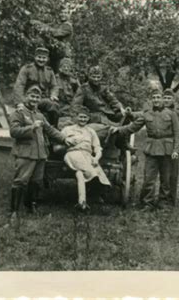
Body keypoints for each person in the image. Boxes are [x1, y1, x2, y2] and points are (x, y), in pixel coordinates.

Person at [9, 85, 73, 221]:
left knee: (36, 181)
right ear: (26, 96)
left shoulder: (40, 115)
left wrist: (64, 138)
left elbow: (50, 130)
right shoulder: (19, 113)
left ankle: (31, 206)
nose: (34, 99)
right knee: (20, 181)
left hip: (40, 154)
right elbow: (14, 132)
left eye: (37, 97)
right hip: (25, 153)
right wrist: (31, 127)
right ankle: (14, 211)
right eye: (32, 96)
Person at [112, 89, 179, 210]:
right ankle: (147, 203)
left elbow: (178, 134)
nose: (156, 100)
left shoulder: (171, 114)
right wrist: (118, 130)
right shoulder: (147, 114)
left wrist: (176, 150)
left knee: (166, 179)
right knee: (149, 178)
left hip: (167, 150)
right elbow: (132, 127)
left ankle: (163, 203)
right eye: (153, 98)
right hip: (152, 149)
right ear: (151, 100)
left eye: (158, 97)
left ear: (162, 99)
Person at [61, 106, 111, 211]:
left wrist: (96, 158)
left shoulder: (91, 131)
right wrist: (68, 142)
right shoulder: (67, 129)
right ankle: (98, 185)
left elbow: (97, 148)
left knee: (81, 172)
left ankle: (82, 203)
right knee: (93, 172)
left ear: (88, 119)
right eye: (80, 117)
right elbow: (57, 146)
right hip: (73, 153)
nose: (82, 120)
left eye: (85, 117)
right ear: (76, 117)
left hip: (87, 155)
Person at [13, 47, 61, 127]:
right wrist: (20, 102)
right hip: (29, 99)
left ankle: (53, 129)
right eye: (39, 57)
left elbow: (54, 86)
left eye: (44, 58)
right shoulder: (27, 69)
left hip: (43, 99)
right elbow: (19, 85)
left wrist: (53, 95)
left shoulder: (49, 71)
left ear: (47, 59)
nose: (41, 60)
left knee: (54, 106)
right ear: (35, 57)